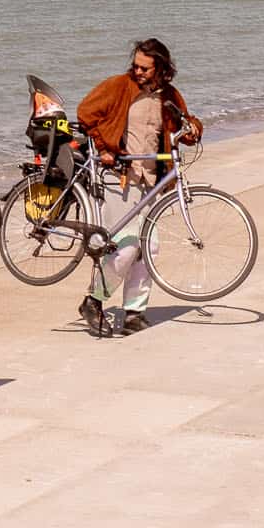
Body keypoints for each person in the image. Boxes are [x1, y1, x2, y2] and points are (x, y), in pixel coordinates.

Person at [76, 38, 203, 337]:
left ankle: (134, 312)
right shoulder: (119, 86)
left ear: (161, 68)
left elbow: (183, 127)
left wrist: (194, 128)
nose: (138, 71)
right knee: (127, 245)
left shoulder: (168, 95)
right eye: (135, 66)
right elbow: (85, 113)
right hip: (121, 175)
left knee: (150, 247)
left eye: (145, 68)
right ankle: (93, 301)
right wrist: (103, 146)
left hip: (152, 181)